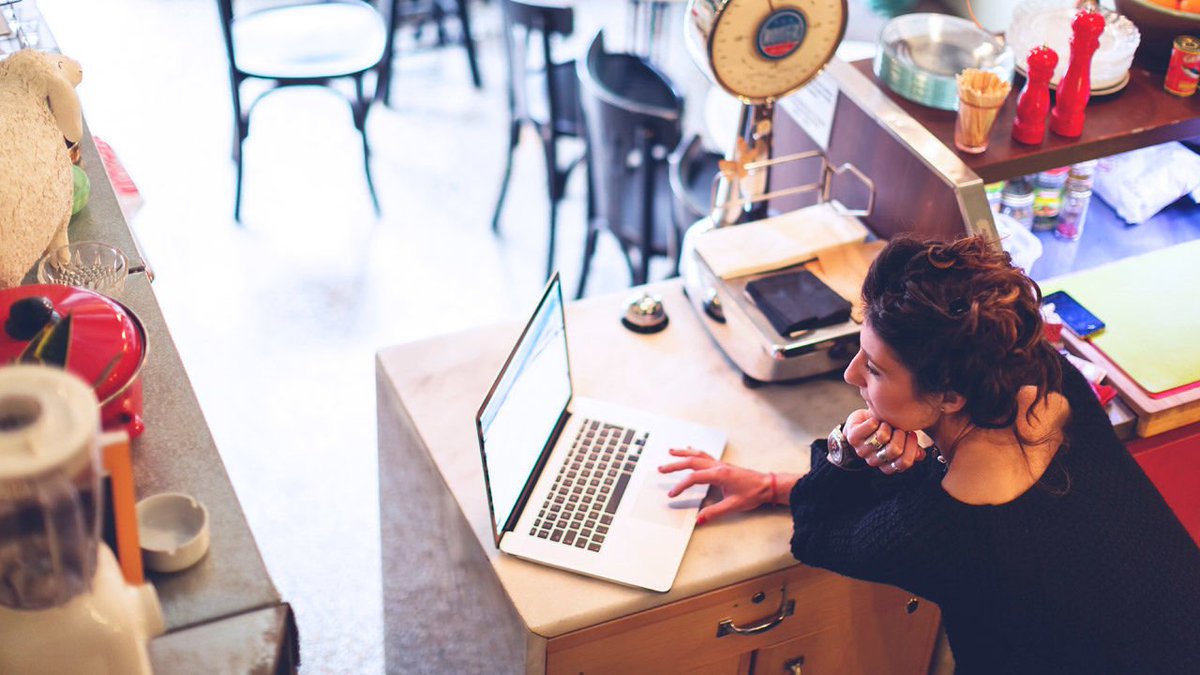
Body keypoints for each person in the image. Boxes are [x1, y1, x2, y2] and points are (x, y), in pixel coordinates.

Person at [659, 236, 1200, 674]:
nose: (851, 377)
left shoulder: (948, 529)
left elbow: (819, 535)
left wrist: (847, 448)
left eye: (874, 368)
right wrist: (776, 484)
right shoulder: (1054, 382)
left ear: (948, 396)